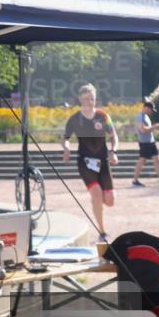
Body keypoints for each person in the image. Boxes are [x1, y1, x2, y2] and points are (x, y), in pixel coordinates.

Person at [62, 84, 118, 242]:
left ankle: (96, 201)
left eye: (92, 98)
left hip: (103, 161)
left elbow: (113, 135)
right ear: (80, 98)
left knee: (110, 201)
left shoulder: (103, 115)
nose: (89, 101)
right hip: (85, 161)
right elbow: (65, 138)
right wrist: (67, 149)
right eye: (86, 98)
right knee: (97, 193)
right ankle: (102, 231)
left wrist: (113, 152)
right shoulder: (74, 119)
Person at [132, 99, 159, 187]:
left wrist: (154, 127)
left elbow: (148, 128)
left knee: (157, 159)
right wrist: (154, 127)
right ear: (146, 108)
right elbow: (143, 130)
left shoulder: (146, 116)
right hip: (144, 142)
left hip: (151, 141)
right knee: (142, 161)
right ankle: (135, 180)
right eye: (151, 110)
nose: (151, 112)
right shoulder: (140, 117)